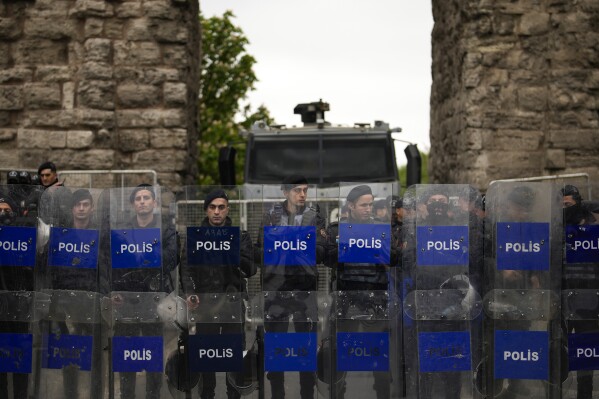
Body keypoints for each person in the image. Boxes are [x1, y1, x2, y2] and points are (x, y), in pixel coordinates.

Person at [182, 188, 256, 399]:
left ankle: (234, 395)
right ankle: (208, 395)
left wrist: (232, 251)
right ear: (206, 210)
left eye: (221, 207)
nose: (217, 212)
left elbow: (251, 270)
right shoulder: (195, 237)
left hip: (233, 304)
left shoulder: (240, 236)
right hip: (205, 305)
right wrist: (189, 293)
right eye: (212, 207)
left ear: (227, 209)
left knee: (233, 356)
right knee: (207, 356)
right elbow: (186, 270)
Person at [259, 175, 326, 399]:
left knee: (304, 348)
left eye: (305, 190)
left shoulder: (314, 216)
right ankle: (278, 392)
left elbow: (322, 251)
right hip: (276, 288)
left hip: (304, 289)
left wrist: (301, 246)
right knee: (276, 347)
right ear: (285, 191)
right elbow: (262, 250)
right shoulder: (271, 215)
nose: (302, 194)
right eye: (297, 190)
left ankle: (307, 393)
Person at [325, 184, 394, 399]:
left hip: (375, 300)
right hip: (347, 300)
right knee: (341, 357)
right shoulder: (338, 230)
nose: (368, 209)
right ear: (351, 206)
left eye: (370, 204)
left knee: (378, 358)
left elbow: (394, 258)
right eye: (363, 205)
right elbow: (327, 258)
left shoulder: (381, 228)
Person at [110, 184, 178, 399]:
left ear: (154, 203)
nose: (142, 201)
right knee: (126, 354)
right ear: (133, 205)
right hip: (127, 300)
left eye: (146, 197)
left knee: (152, 354)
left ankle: (153, 394)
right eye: (138, 198)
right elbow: (115, 264)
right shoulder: (122, 231)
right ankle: (126, 394)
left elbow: (172, 258)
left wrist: (143, 255)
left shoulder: (166, 228)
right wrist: (115, 290)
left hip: (154, 298)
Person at [41, 188, 102, 398]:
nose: (82, 208)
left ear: (92, 208)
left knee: (93, 357)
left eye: (86, 204)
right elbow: (50, 269)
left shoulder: (98, 237)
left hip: (91, 305)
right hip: (65, 306)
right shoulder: (61, 236)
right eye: (78, 205)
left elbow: (103, 271)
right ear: (72, 208)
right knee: (69, 357)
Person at [562, 184, 598, 399]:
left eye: (567, 204)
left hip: (588, 300)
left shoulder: (593, 229)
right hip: (563, 298)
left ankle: (584, 394)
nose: (564, 208)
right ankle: (557, 390)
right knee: (559, 350)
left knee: (586, 350)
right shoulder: (557, 229)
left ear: (578, 204)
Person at [0, 195, 35, 399]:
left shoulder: (24, 237)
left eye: (7, 210)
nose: (3, 213)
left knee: (19, 359)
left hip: (20, 306)